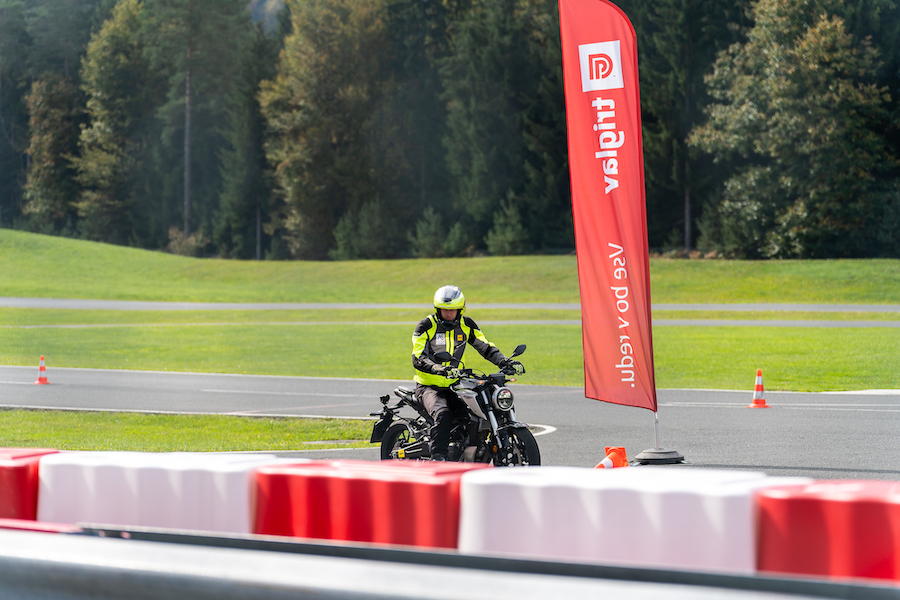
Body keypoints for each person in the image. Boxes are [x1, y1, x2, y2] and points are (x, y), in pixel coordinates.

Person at [411, 284, 524, 460]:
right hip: (429, 387)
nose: (449, 314)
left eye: (453, 310)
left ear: (460, 309)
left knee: (472, 417)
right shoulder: (426, 325)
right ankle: (438, 458)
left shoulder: (466, 325)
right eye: (444, 310)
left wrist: (504, 361)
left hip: (456, 385)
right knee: (443, 414)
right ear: (437, 309)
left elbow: (485, 347)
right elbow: (418, 357)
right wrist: (437, 368)